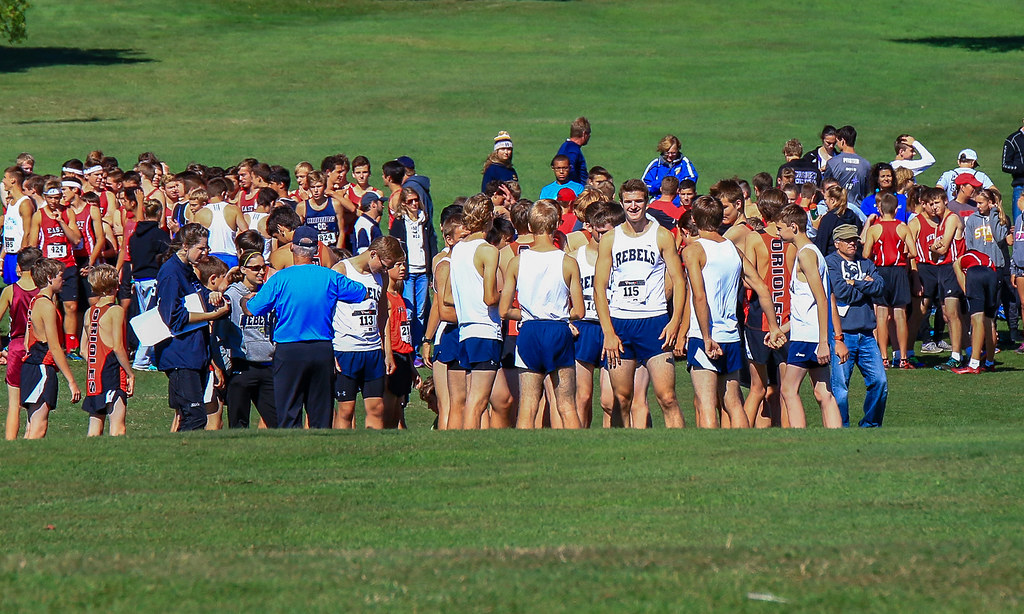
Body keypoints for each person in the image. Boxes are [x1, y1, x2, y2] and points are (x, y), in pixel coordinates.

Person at [242, 226, 367, 429]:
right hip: (321, 349)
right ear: (316, 249)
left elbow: (252, 309)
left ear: (292, 247)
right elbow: (361, 292)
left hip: (289, 350)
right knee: (321, 413)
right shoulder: (329, 277)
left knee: (288, 411)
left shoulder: (280, 279)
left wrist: (243, 301)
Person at [684, 195, 786, 429]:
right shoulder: (732, 249)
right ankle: (741, 445)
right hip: (731, 335)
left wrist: (706, 337)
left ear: (694, 219)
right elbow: (762, 287)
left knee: (706, 403)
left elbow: (699, 296)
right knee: (733, 402)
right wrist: (773, 326)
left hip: (705, 335)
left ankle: (710, 450)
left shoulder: (693, 251)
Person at [594, 179, 686, 429]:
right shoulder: (610, 238)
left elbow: (679, 281)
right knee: (621, 398)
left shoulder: (662, 235)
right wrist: (608, 331)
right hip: (621, 322)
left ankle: (681, 447)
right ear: (621, 203)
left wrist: (675, 322)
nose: (633, 206)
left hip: (655, 321)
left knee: (667, 397)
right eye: (628, 201)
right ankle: (621, 448)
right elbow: (599, 287)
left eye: (638, 201)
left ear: (646, 202)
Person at [499, 199, 586, 429]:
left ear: (529, 225)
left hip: (529, 329)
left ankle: (524, 450)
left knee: (528, 405)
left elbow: (504, 310)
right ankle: (578, 448)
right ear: (556, 224)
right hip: (558, 329)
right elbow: (579, 310)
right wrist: (558, 313)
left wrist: (528, 313)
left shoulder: (517, 262)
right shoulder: (568, 262)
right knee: (566, 404)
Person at [155, 224, 231, 432]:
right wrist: (212, 316)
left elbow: (199, 298)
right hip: (181, 355)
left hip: (196, 354)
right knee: (194, 417)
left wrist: (214, 296)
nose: (206, 253)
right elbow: (173, 317)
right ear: (185, 246)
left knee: (194, 416)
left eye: (207, 248)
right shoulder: (171, 273)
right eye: (201, 248)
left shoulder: (188, 270)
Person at [777, 205, 843, 429]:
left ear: (794, 227)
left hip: (808, 337)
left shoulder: (805, 254)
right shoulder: (810, 252)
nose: (778, 233)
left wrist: (824, 342)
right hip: (809, 333)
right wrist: (781, 330)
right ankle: (837, 437)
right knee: (823, 392)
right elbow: (807, 305)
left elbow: (822, 299)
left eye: (780, 228)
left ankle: (800, 437)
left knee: (788, 389)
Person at [442, 194, 504, 430]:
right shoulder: (488, 250)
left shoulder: (457, 249)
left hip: (465, 331)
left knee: (471, 398)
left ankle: (467, 441)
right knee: (478, 402)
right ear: (489, 218)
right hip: (485, 330)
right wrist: (507, 295)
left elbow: (448, 296)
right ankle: (469, 442)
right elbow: (490, 298)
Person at [331, 236, 403, 429]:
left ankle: (374, 445)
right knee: (346, 410)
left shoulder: (381, 277)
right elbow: (325, 311)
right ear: (373, 254)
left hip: (372, 350)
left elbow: (383, 315)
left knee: (377, 408)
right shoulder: (341, 270)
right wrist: (330, 349)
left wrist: (387, 352)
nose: (386, 270)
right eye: (385, 265)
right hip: (346, 349)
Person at [740, 189, 794, 427]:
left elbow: (747, 279)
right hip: (787, 319)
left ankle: (739, 436)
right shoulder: (791, 238)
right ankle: (789, 437)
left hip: (758, 319)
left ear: (761, 210)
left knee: (757, 388)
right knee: (787, 389)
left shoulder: (754, 238)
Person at [826, 224, 887, 427]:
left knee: (880, 382)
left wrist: (856, 283)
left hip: (867, 335)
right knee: (840, 388)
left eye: (854, 240)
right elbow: (841, 292)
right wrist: (865, 286)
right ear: (837, 243)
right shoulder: (830, 263)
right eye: (847, 240)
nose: (853, 243)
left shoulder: (866, 262)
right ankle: (841, 428)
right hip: (843, 335)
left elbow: (880, 287)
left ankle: (871, 425)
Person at [570, 202, 620, 428]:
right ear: (589, 227)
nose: (603, 236)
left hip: (611, 326)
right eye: (599, 231)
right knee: (582, 396)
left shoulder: (618, 256)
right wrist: (566, 320)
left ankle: (610, 440)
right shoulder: (575, 257)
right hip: (584, 327)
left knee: (610, 400)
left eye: (608, 231)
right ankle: (581, 441)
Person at [20, 258, 82, 439]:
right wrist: (71, 381)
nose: (63, 280)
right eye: (60, 276)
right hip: (42, 367)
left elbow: (26, 341)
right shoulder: (47, 306)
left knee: (31, 426)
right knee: (39, 427)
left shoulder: (35, 301)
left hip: (31, 365)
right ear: (49, 277)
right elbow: (54, 347)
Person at [30, 178, 84, 360]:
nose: (54, 201)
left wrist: (61, 222)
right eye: (51, 198)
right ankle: (51, 341)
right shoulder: (39, 215)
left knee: (71, 305)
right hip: (48, 267)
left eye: (57, 198)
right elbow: (33, 242)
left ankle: (71, 346)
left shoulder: (68, 213)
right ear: (45, 197)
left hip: (67, 265)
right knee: (50, 305)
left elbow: (76, 239)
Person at [862, 193, 917, 369]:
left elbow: (865, 254)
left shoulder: (874, 229)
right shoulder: (903, 227)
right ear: (895, 209)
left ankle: (883, 357)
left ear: (880, 209)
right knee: (900, 315)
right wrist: (901, 255)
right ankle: (903, 358)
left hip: (881, 271)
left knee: (881, 315)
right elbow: (914, 252)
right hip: (899, 271)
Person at [223, 250, 276, 429]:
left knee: (279, 422)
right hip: (242, 365)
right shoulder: (231, 295)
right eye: (255, 268)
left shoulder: (268, 292)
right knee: (238, 424)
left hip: (268, 365)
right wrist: (226, 365)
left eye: (263, 267)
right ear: (243, 269)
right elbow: (220, 334)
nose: (261, 272)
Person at [81, 264, 134, 436]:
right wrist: (130, 373)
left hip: (94, 375)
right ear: (115, 285)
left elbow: (83, 350)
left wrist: (95, 363)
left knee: (94, 427)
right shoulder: (116, 310)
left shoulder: (89, 312)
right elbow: (117, 347)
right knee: (118, 427)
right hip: (112, 371)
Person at [388, 187, 437, 362]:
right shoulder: (399, 223)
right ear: (403, 204)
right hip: (408, 273)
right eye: (410, 201)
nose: (414, 204)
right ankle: (406, 348)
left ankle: (416, 350)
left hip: (423, 272)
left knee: (420, 312)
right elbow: (394, 246)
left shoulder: (425, 220)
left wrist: (432, 270)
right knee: (409, 311)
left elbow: (432, 244)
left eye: (416, 200)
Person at [0, 247, 41, 440]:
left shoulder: (10, 291)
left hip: (16, 347)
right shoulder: (43, 291)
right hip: (37, 347)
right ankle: (29, 438)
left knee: (13, 404)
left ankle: (10, 441)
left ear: (19, 266)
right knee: (34, 403)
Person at [128, 198, 171, 371]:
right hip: (153, 279)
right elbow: (168, 256)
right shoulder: (159, 235)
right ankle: (141, 359)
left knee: (146, 314)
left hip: (138, 279)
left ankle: (150, 355)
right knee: (151, 318)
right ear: (159, 213)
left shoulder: (134, 236)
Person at [951, 249, 999, 374]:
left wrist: (968, 293)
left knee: (977, 319)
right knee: (989, 322)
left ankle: (974, 364)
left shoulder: (962, 258)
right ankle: (989, 362)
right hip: (993, 275)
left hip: (976, 273)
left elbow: (956, 267)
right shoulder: (985, 257)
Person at [384, 257, 416, 429]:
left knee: (400, 407)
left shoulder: (399, 296)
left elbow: (405, 334)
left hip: (403, 355)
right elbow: (385, 330)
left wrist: (411, 365)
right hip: (393, 355)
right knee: (389, 408)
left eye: (404, 264)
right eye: (398, 265)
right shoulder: (386, 297)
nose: (403, 268)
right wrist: (388, 355)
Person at [191, 179, 248, 268]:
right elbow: (246, 232)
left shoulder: (200, 213)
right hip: (230, 256)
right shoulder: (233, 209)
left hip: (209, 257)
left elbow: (194, 237)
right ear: (223, 193)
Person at [823, 125, 871, 206]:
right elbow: (867, 189)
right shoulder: (866, 164)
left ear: (842, 141)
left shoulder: (832, 163)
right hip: (857, 209)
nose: (836, 144)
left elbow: (826, 187)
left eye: (837, 141)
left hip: (837, 207)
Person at [296, 170, 345, 249]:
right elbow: (297, 232)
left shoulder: (335, 204)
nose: (316, 190)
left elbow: (341, 231)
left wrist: (338, 251)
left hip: (332, 248)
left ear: (325, 186)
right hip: (312, 249)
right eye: (312, 187)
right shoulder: (302, 207)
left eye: (319, 186)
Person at [2, 166, 34, 285]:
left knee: (20, 289)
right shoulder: (11, 203)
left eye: (5, 178)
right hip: (9, 254)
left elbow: (27, 232)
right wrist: (2, 257)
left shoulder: (24, 203)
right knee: (10, 288)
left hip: (18, 255)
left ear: (13, 180)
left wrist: (21, 260)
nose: (3, 181)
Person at [814, 185, 863, 256]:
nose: (825, 203)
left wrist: (816, 228)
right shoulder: (854, 216)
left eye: (825, 200)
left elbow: (821, 244)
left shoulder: (829, 218)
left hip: (833, 257)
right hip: (853, 256)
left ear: (832, 200)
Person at [556, 117, 591, 185]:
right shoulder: (572, 149)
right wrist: (575, 187)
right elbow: (568, 169)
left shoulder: (566, 146)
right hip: (576, 189)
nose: (589, 136)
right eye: (589, 134)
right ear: (584, 134)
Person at [1002, 117, 1024, 223]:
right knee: (1019, 222)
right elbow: (1005, 165)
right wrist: (1021, 168)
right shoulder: (1012, 140)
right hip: (1020, 187)